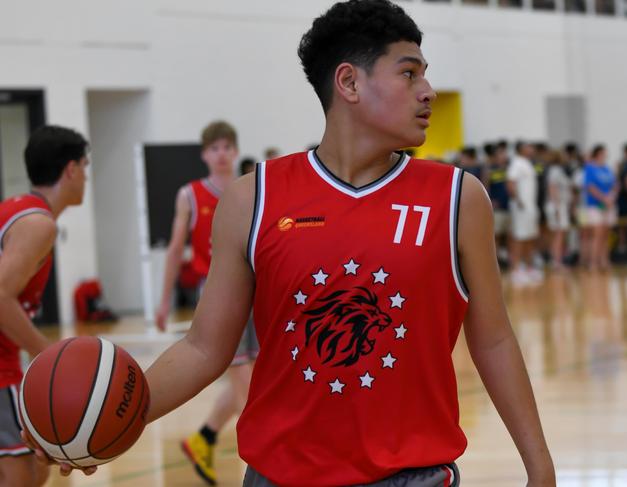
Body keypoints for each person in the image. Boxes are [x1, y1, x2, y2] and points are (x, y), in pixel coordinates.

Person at [32, 1, 555, 486]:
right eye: (409, 72)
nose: (428, 91)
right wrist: (111, 419)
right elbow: (204, 347)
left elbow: (493, 341)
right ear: (348, 82)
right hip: (278, 476)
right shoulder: (252, 200)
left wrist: (541, 469)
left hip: (413, 475)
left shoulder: (459, 199)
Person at [154, 121, 257, 485]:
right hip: (216, 293)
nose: (222, 153)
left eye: (228, 147)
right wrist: (164, 299)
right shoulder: (190, 194)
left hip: (256, 290)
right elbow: (175, 249)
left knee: (252, 380)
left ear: (235, 151)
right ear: (204, 154)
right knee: (249, 388)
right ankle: (262, 470)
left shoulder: (251, 189)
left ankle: (204, 438)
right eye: (215, 148)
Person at [0, 125, 89, 487]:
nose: (86, 176)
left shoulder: (17, 209)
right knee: (25, 473)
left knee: (37, 468)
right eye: (85, 165)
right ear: (70, 169)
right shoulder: (39, 224)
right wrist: (48, 355)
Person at [507, 141, 543, 287]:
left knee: (530, 237)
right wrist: (518, 200)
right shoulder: (516, 163)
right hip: (521, 207)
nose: (532, 148)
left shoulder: (528, 163)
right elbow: (510, 183)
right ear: (521, 149)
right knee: (519, 237)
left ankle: (528, 267)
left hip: (530, 207)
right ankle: (515, 269)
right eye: (529, 146)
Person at [583, 145, 617, 271]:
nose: (606, 155)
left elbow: (615, 184)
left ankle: (605, 260)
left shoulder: (607, 169)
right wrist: (603, 198)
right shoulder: (590, 169)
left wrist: (611, 197)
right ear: (597, 154)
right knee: (597, 234)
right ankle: (593, 262)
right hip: (595, 205)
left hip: (609, 205)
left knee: (606, 234)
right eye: (603, 153)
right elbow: (590, 187)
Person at [544, 150, 572, 270]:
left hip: (561, 205)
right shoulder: (555, 171)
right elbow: (552, 188)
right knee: (558, 234)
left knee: (560, 234)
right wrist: (556, 208)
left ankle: (557, 260)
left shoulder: (558, 170)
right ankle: (556, 261)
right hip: (557, 205)